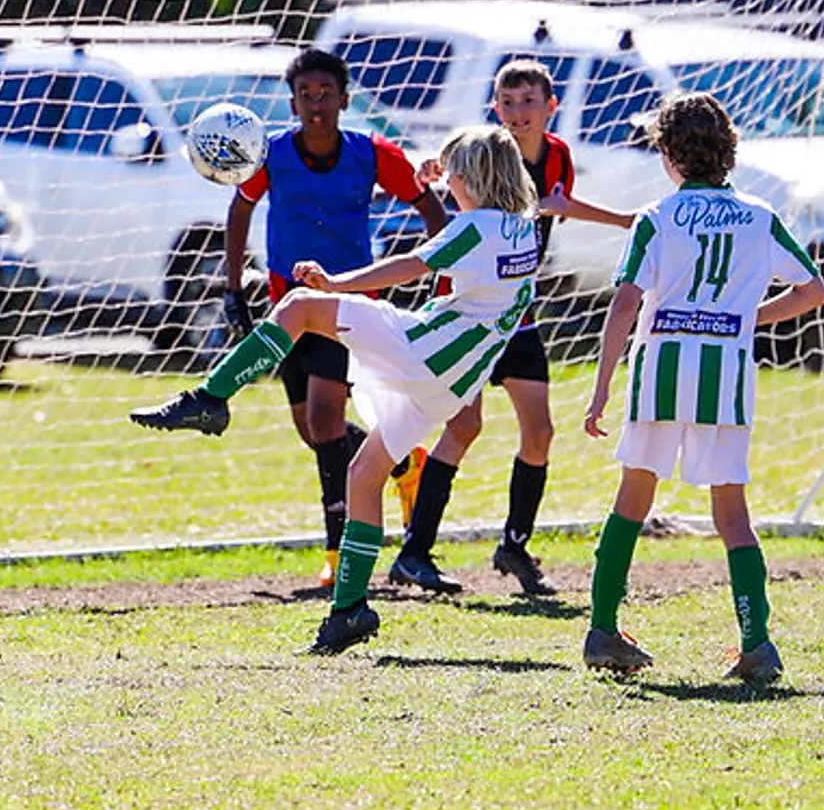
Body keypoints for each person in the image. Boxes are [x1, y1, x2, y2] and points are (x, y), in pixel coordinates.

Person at [135, 124, 542, 654]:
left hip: (425, 350)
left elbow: (410, 264)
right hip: (452, 379)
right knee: (363, 473)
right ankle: (349, 609)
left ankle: (210, 398)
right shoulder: (524, 229)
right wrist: (442, 165)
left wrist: (336, 283)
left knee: (301, 306)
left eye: (454, 178)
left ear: (472, 178)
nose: (448, 189)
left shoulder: (475, 227)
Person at [578, 92, 824, 681]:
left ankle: (602, 629)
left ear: (668, 154)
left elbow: (625, 303)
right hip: (725, 375)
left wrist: (600, 389)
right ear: (730, 150)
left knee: (631, 503)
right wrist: (746, 316)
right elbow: (814, 289)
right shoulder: (758, 215)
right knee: (733, 517)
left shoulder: (656, 218)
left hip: (659, 371)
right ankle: (756, 644)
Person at [224, 48, 449, 588]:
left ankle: (336, 551)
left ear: (345, 100)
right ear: (293, 102)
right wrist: (234, 288)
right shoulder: (273, 153)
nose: (316, 105)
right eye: (306, 95)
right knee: (309, 428)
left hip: (345, 305)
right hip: (286, 309)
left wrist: (438, 273)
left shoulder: (372, 154)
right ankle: (402, 464)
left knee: (325, 421)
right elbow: (240, 208)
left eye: (326, 94)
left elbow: (429, 206)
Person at [388, 59, 610, 597]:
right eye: (507, 103)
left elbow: (560, 204)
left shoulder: (557, 155)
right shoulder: (483, 149)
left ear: (550, 107)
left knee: (540, 433)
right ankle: (414, 553)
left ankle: (514, 545)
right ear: (495, 107)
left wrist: (622, 220)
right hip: (467, 316)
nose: (517, 113)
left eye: (528, 101)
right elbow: (444, 165)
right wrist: (427, 168)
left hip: (519, 316)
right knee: (463, 428)